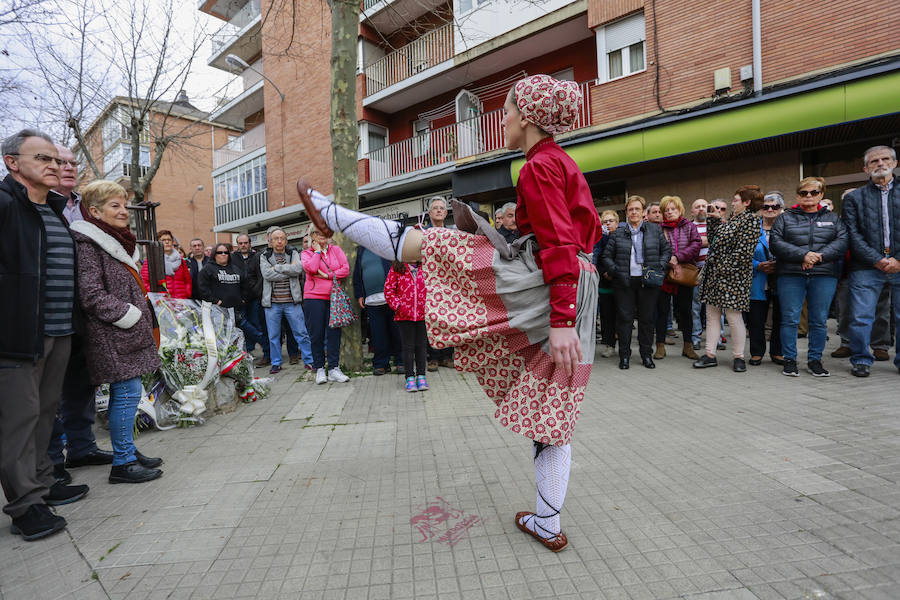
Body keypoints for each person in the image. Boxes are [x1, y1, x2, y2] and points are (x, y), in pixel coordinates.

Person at [296, 74, 600, 552]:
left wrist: (559, 319)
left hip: (551, 290)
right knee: (554, 412)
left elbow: (562, 243)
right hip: (569, 291)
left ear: (530, 117)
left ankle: (332, 217)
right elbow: (588, 233)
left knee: (434, 244)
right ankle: (547, 522)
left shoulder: (539, 167)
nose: (505, 117)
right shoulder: (561, 162)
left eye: (510, 109)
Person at [0, 129, 89, 541]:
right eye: (44, 158)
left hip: (59, 331)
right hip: (17, 336)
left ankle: (43, 482)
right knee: (17, 422)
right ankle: (25, 507)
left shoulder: (54, 210)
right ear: (12, 162)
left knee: (43, 415)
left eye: (57, 160)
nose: (55, 166)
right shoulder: (4, 206)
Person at [69, 180, 163, 484]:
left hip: (123, 335)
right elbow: (91, 294)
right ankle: (123, 462)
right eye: (115, 205)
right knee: (125, 396)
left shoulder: (114, 240)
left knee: (129, 394)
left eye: (124, 205)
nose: (124, 211)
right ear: (94, 211)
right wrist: (129, 315)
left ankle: (129, 452)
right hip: (112, 335)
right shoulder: (88, 243)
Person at [47, 144, 113, 485]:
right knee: (50, 388)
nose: (69, 168)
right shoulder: (39, 204)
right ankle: (51, 460)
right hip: (54, 308)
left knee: (83, 381)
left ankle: (82, 446)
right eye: (61, 162)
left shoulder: (84, 207)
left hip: (86, 309)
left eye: (73, 163)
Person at [770, 177, 847, 377]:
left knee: (819, 320)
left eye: (814, 192)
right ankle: (789, 360)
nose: (809, 196)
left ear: (821, 195)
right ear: (798, 195)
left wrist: (817, 258)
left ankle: (815, 360)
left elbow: (841, 243)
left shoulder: (833, 219)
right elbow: (776, 243)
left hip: (823, 274)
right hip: (791, 274)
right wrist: (802, 255)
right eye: (804, 193)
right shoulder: (784, 218)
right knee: (789, 319)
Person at [840, 145, 900, 377]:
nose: (880, 164)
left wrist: (897, 261)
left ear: (895, 164)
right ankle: (861, 359)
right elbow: (851, 234)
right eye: (874, 161)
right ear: (865, 168)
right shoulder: (854, 198)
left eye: (885, 159)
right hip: (866, 266)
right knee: (861, 316)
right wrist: (876, 259)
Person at [694, 185, 764, 372]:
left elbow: (743, 252)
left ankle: (738, 357)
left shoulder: (750, 220)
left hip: (733, 277)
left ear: (747, 203)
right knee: (712, 315)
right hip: (716, 275)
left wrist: (721, 269)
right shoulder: (733, 220)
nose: (732, 202)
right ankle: (710, 354)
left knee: (734, 317)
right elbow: (714, 241)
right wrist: (715, 220)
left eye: (735, 200)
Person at [602, 195, 671, 369]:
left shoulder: (654, 230)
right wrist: (616, 271)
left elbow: (666, 251)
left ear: (643, 212)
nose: (634, 212)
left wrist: (659, 266)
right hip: (624, 282)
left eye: (637, 209)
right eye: (630, 209)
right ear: (626, 213)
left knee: (647, 320)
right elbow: (606, 257)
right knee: (624, 320)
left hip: (648, 281)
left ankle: (646, 355)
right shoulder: (618, 233)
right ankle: (624, 356)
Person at [301, 224, 351, 384]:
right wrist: (316, 252)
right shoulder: (306, 253)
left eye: (324, 232)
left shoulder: (336, 250)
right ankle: (320, 368)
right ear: (312, 236)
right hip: (313, 298)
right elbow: (312, 268)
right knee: (316, 334)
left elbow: (346, 269)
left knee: (334, 333)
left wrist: (328, 275)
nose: (322, 234)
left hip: (333, 297)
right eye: (317, 232)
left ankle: (334, 369)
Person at [259, 228, 314, 375]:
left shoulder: (293, 253)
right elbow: (267, 274)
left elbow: (298, 269)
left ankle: (309, 361)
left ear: (286, 240)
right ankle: (276, 363)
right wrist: (288, 272)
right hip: (272, 304)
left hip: (292, 302)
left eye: (282, 238)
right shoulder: (265, 255)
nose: (279, 241)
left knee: (301, 333)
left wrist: (277, 268)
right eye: (275, 238)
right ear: (270, 241)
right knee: (274, 336)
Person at [656, 196, 701, 361]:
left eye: (673, 209)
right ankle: (660, 345)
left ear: (680, 210)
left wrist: (678, 257)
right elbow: (655, 249)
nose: (669, 212)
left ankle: (688, 346)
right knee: (661, 311)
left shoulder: (689, 226)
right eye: (666, 210)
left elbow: (696, 245)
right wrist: (667, 260)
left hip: (684, 275)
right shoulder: (659, 229)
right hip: (664, 275)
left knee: (685, 312)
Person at [748, 192, 784, 366]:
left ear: (781, 209)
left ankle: (777, 352)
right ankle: (756, 352)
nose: (770, 209)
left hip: (782, 278)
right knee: (756, 317)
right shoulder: (752, 228)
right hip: (758, 278)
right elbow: (742, 254)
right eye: (766, 206)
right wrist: (757, 265)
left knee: (781, 317)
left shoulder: (787, 226)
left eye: (775, 206)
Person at [353, 246, 402, 376]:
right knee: (378, 335)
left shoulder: (385, 245)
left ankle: (401, 362)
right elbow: (357, 273)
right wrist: (359, 294)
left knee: (397, 332)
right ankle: (381, 364)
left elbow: (398, 268)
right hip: (372, 300)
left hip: (391, 298)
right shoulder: (361, 250)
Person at [384, 261, 428, 392]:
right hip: (404, 315)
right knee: (408, 347)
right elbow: (388, 289)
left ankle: (421, 376)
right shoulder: (398, 268)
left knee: (421, 345)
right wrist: (398, 306)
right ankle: (409, 377)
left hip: (423, 314)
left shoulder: (425, 267)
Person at [424, 196, 455, 371]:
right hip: (429, 283)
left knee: (449, 319)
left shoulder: (451, 234)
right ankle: (433, 358)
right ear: (429, 213)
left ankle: (447, 356)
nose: (438, 210)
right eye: (435, 208)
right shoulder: (423, 233)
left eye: (441, 208)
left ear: (446, 212)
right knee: (433, 320)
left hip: (448, 284)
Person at [231, 234, 267, 357]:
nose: (243, 245)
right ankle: (253, 347)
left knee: (255, 323)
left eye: (245, 243)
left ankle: (259, 349)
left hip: (255, 297)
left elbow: (260, 276)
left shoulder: (257, 256)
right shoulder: (232, 258)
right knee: (243, 324)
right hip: (239, 298)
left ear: (250, 243)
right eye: (240, 243)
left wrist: (256, 292)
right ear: (237, 244)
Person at [593, 210, 619, 358]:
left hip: (620, 282)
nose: (608, 224)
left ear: (617, 222)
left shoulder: (623, 237)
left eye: (611, 221)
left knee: (621, 315)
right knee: (606, 316)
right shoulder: (599, 239)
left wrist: (614, 273)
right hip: (604, 282)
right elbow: (598, 257)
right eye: (605, 221)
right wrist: (604, 272)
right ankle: (609, 344)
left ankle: (621, 344)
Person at [140, 230, 192, 299]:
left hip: (181, 301)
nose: (167, 242)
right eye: (163, 240)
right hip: (162, 301)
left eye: (169, 240)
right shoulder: (152, 260)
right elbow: (144, 282)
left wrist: (187, 293)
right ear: (158, 243)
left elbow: (187, 280)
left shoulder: (180, 260)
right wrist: (157, 295)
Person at [690, 198, 709, 351]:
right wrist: (706, 241)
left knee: (715, 308)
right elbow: (691, 244)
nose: (701, 209)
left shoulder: (716, 225)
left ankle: (717, 337)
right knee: (695, 307)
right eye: (698, 207)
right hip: (695, 271)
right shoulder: (689, 227)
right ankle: (696, 337)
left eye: (704, 206)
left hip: (713, 271)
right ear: (692, 211)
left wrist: (702, 241)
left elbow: (718, 242)